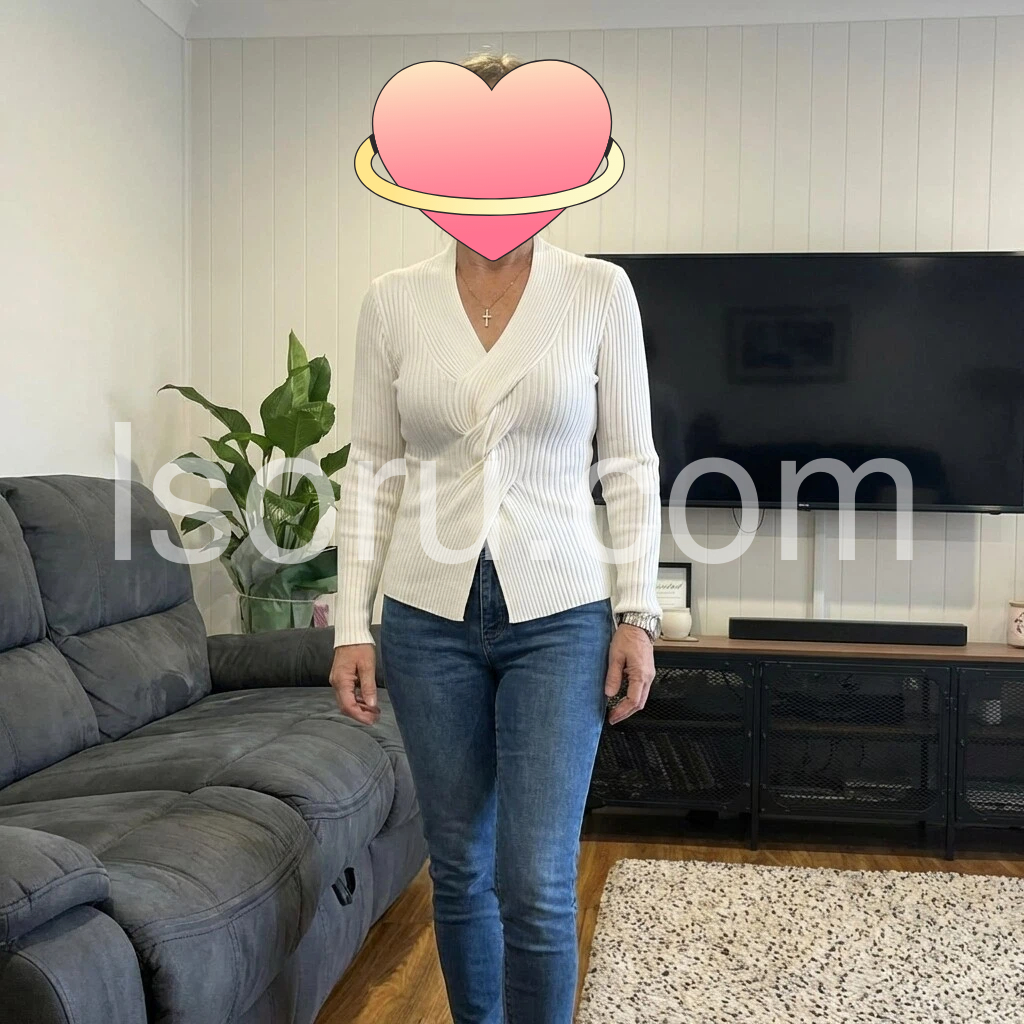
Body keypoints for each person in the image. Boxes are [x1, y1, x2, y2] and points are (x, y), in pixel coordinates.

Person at [329, 51, 663, 1024]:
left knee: (537, 879)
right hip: (424, 615)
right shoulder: (393, 300)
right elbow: (371, 467)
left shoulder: (598, 292)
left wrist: (638, 612)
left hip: (560, 613)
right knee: (460, 866)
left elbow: (628, 463)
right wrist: (351, 622)